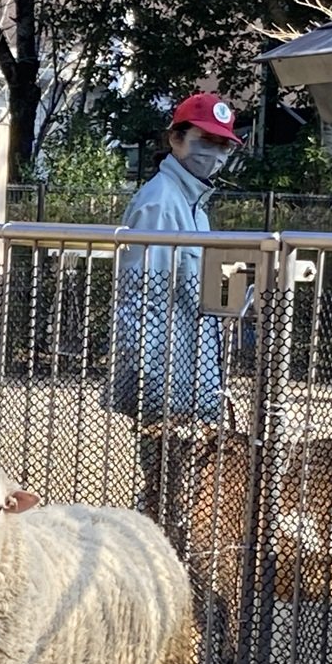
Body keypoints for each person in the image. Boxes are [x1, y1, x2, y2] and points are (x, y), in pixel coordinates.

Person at [105, 91, 243, 549]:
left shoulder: (193, 204)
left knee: (179, 493)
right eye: (206, 140)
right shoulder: (161, 202)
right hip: (165, 378)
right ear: (177, 139)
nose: (215, 153)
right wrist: (150, 382)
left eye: (223, 145)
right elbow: (140, 295)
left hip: (189, 375)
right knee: (169, 495)